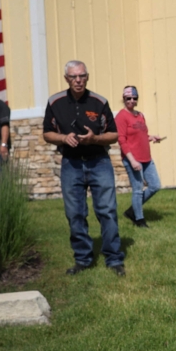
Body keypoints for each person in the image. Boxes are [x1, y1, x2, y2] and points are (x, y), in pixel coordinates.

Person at [43, 60, 126, 276]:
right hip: (71, 163)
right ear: (66, 79)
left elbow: (114, 134)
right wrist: (63, 137)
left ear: (87, 77)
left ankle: (114, 259)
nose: (78, 80)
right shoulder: (55, 102)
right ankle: (83, 259)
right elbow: (47, 133)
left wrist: (95, 138)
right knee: (75, 213)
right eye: (73, 77)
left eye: (81, 76)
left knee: (107, 210)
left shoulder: (99, 102)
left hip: (99, 161)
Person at [115, 86, 163, 228]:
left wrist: (151, 137)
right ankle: (139, 219)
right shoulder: (121, 117)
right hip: (133, 159)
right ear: (123, 99)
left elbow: (140, 135)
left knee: (155, 186)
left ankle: (132, 211)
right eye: (128, 98)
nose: (131, 101)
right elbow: (122, 140)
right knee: (137, 189)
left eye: (134, 98)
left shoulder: (140, 115)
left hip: (146, 158)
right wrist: (132, 160)